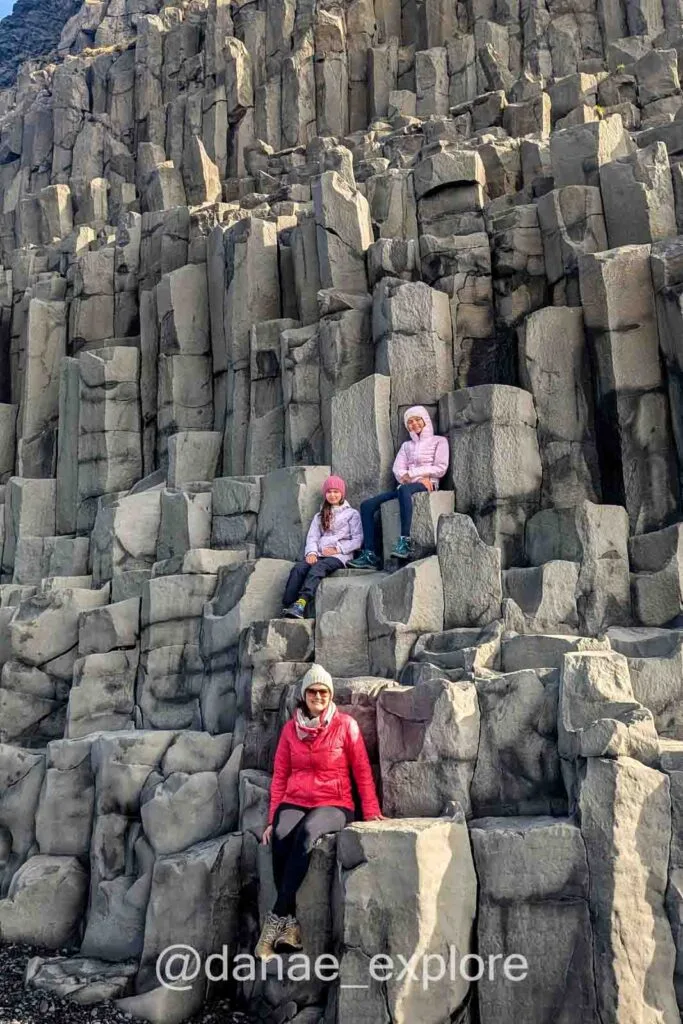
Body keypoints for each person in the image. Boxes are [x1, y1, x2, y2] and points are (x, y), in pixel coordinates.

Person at [255, 664, 383, 960]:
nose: (319, 696)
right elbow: (280, 775)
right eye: (313, 691)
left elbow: (362, 771)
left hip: (335, 803)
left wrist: (372, 810)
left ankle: (276, 921)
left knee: (306, 834)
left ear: (330, 695)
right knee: (282, 835)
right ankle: (290, 927)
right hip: (296, 799)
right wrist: (273, 819)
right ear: (304, 695)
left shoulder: (345, 726)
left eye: (324, 691)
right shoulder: (290, 730)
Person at [349, 405, 449, 568]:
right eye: (410, 422)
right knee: (366, 505)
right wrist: (415, 477)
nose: (414, 424)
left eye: (417, 420)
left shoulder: (439, 441)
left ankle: (405, 541)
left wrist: (415, 474)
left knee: (403, 489)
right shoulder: (406, 446)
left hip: (428, 485)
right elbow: (397, 469)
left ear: (425, 421)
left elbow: (441, 467)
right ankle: (370, 554)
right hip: (406, 486)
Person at [282, 475, 363, 619]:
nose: (332, 495)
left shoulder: (352, 514)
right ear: (325, 494)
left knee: (318, 569)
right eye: (329, 492)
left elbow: (358, 539)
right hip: (319, 554)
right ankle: (288, 605)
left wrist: (337, 549)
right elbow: (313, 537)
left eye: (336, 492)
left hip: (340, 556)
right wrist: (311, 553)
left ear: (342, 493)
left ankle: (302, 603)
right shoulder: (319, 516)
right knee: (299, 568)